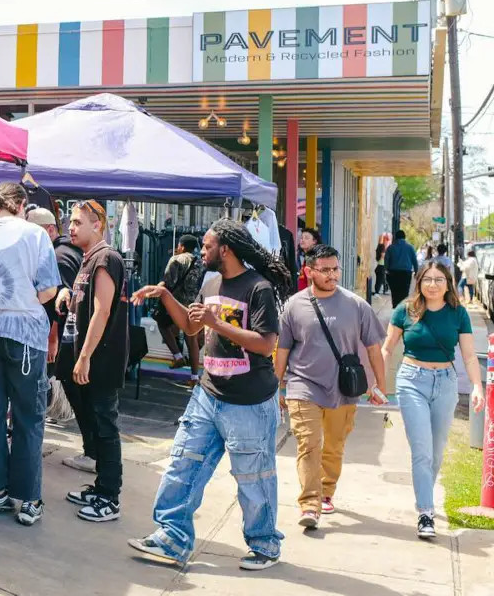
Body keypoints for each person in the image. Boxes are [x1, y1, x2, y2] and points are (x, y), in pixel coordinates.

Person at [128, 219, 290, 571]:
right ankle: (172, 537)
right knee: (183, 465)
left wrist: (217, 323)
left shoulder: (257, 288)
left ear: (226, 249)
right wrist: (166, 296)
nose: (202, 251)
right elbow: (190, 325)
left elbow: (265, 345)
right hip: (208, 393)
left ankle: (264, 544)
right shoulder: (211, 282)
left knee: (253, 476)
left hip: (249, 403)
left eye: (207, 245)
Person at [0, 182, 61, 527]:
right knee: (28, 417)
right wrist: (24, 299)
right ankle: (29, 497)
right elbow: (49, 289)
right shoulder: (35, 234)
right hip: (25, 334)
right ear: (21, 204)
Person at [275, 244, 388, 530]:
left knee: (334, 446)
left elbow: (374, 348)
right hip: (303, 385)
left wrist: (380, 386)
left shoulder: (356, 305)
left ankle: (326, 491)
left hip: (343, 387)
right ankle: (310, 504)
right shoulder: (293, 305)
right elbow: (283, 350)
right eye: (324, 270)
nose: (332, 274)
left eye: (335, 268)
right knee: (309, 443)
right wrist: (276, 387)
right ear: (308, 271)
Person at [381, 260, 486, 539]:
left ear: (448, 283)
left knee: (436, 452)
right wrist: (377, 383)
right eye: (428, 279)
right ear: (420, 282)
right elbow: (387, 348)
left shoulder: (458, 313)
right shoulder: (406, 310)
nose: (433, 284)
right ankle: (425, 512)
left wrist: (477, 386)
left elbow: (469, 355)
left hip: (446, 384)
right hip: (412, 381)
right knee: (422, 451)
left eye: (439, 279)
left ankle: (424, 492)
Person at [55, 201, 129, 522]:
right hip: (85, 359)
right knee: (96, 425)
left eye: (77, 222)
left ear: (97, 224)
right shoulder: (89, 259)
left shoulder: (106, 258)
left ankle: (109, 497)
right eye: (70, 222)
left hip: (100, 361)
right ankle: (100, 487)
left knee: (106, 427)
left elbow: (102, 311)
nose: (70, 227)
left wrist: (85, 356)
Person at [28, 206, 82, 367]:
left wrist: (53, 339)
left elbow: (63, 303)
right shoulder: (67, 249)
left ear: (50, 229)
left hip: (62, 337)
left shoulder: (58, 257)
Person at [155, 235, 205, 383]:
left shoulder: (177, 259)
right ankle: (194, 377)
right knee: (192, 339)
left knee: (162, 324)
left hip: (176, 304)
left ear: (182, 246)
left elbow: (169, 282)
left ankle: (177, 356)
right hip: (194, 304)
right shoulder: (201, 263)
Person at [385, 230, 419, 308]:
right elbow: (414, 261)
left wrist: (386, 270)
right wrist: (416, 272)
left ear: (396, 237)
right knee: (404, 293)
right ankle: (402, 309)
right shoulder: (410, 247)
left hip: (393, 273)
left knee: (395, 292)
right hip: (405, 274)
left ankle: (395, 308)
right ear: (404, 237)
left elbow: (386, 260)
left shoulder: (390, 248)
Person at [297, 227, 322, 292]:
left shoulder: (313, 257)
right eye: (301, 238)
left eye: (306, 238)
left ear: (314, 241)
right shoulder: (307, 257)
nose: (302, 240)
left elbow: (311, 282)